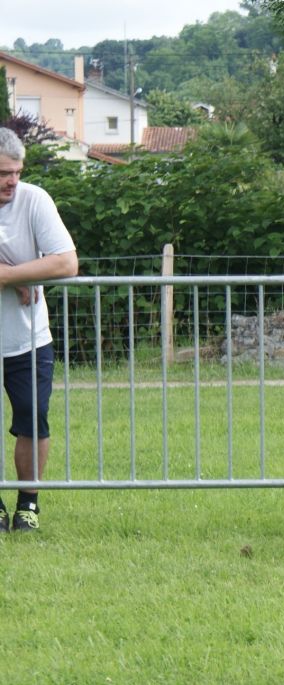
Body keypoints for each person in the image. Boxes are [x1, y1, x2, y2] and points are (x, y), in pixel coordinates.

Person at [0, 127, 78, 533]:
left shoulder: (34, 200)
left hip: (27, 340)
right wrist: (21, 275)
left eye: (16, 171)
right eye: (2, 174)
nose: (12, 180)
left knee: (33, 418)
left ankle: (28, 503)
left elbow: (66, 263)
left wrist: (12, 274)